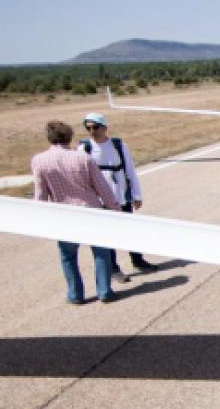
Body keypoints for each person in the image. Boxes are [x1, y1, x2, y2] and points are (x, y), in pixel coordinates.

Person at [31, 120, 123, 304]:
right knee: (101, 252)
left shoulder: (39, 160)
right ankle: (104, 290)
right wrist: (115, 208)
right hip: (90, 210)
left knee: (68, 256)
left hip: (64, 215)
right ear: (69, 137)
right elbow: (102, 187)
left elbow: (40, 193)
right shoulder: (83, 158)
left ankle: (75, 294)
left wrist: (40, 217)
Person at [80, 112, 157, 283]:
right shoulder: (84, 148)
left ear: (104, 127)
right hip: (99, 200)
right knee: (108, 234)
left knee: (129, 230)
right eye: (88, 128)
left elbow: (130, 170)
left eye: (95, 127)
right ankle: (114, 268)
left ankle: (137, 260)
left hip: (120, 196)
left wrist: (136, 195)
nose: (92, 131)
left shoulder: (118, 145)